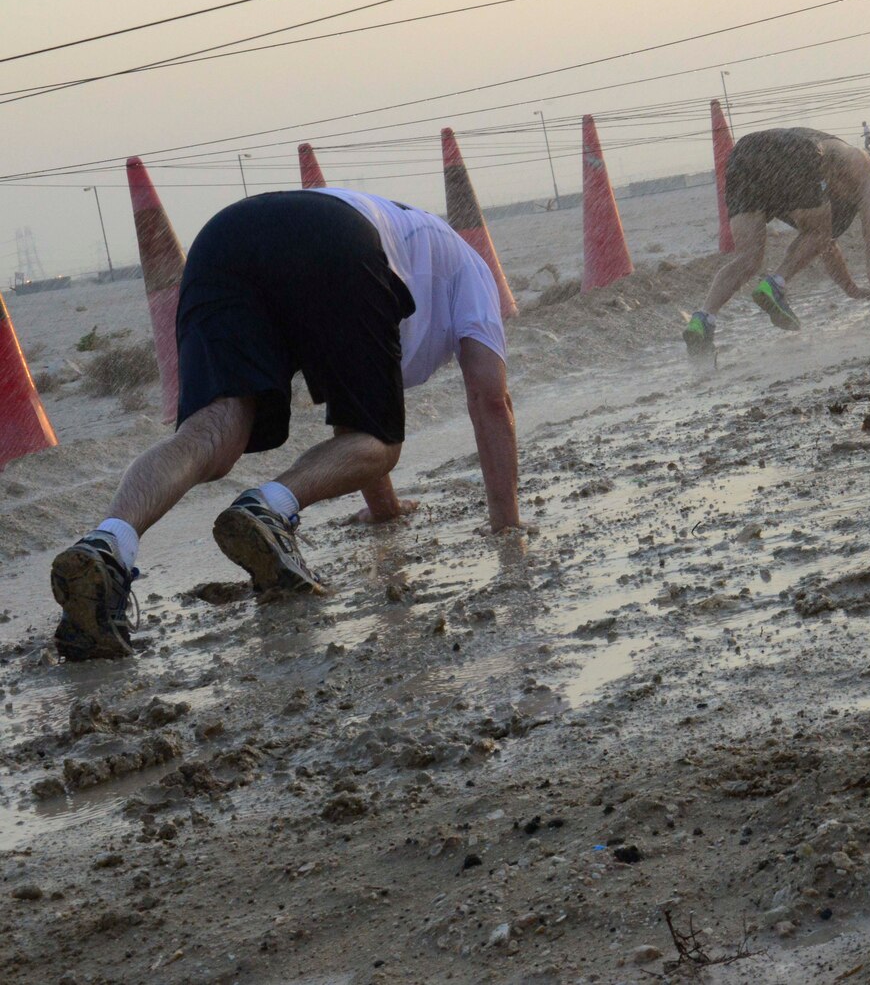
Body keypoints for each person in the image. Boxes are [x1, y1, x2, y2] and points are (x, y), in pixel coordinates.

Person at [49, 189, 519, 660]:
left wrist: (384, 511)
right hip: (335, 236)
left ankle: (109, 541)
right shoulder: (474, 272)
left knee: (212, 432)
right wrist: (507, 529)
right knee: (382, 443)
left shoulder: (415, 244)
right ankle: (268, 508)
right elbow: (489, 398)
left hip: (223, 238)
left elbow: (354, 406)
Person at [684, 128, 870, 359]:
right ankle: (775, 284)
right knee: (818, 232)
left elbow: (823, 244)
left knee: (748, 258)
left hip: (744, 154)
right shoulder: (869, 172)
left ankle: (703, 319)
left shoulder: (833, 172)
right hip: (794, 151)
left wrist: (850, 289)